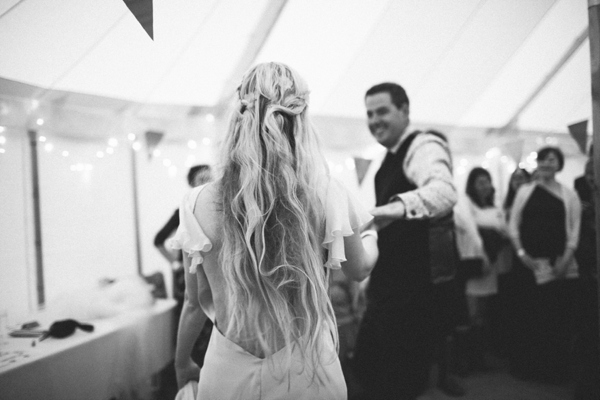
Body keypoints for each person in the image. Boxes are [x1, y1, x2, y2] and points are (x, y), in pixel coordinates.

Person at [171, 62, 379, 399]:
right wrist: (372, 237)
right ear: (301, 119)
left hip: (227, 373)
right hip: (308, 370)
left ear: (239, 116)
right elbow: (359, 269)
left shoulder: (196, 202)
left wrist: (181, 363)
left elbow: (193, 304)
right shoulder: (325, 192)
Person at [353, 82, 457, 399]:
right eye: (369, 114)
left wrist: (398, 207)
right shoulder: (388, 157)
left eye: (382, 111)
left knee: (399, 382)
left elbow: (444, 191)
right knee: (368, 370)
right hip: (388, 290)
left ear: (405, 110)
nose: (374, 121)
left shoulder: (423, 146)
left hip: (414, 296)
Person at [507, 146, 581, 383]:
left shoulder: (569, 195)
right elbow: (513, 226)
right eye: (542, 160)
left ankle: (554, 369)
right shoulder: (525, 192)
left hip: (558, 264)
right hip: (528, 265)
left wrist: (566, 260)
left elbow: (574, 232)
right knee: (528, 317)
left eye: (551, 160)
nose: (546, 164)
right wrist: (521, 254)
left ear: (559, 164)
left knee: (555, 319)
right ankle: (529, 368)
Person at [463, 167, 511, 369]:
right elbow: (470, 229)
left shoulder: (496, 206)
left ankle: (481, 355)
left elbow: (506, 232)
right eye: (479, 181)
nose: (484, 185)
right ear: (472, 185)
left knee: (485, 313)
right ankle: (470, 358)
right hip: (475, 263)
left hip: (492, 265)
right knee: (473, 312)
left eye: (487, 181)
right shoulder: (467, 204)